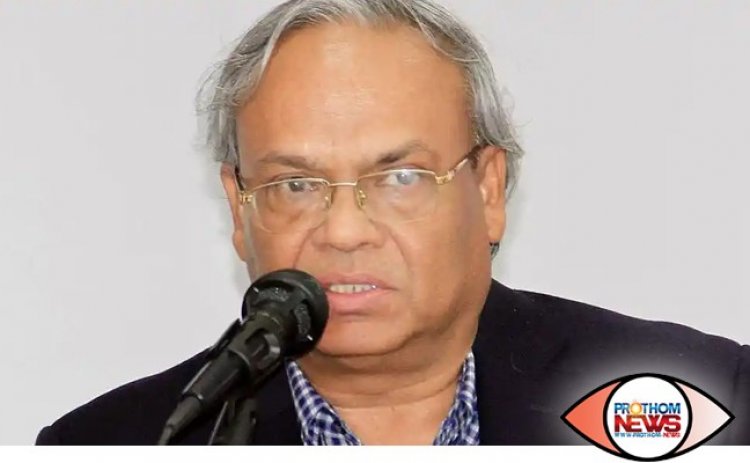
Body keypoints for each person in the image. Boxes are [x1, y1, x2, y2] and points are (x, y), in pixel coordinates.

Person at [36, 0, 749, 445]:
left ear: (489, 189)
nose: (345, 232)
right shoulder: (118, 442)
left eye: (400, 176)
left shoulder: (706, 400)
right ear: (239, 206)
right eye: (296, 184)